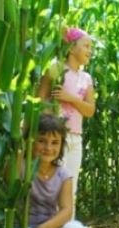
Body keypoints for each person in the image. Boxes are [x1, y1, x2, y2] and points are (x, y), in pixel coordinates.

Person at [37, 27, 95, 204]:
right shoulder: (55, 70)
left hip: (75, 139)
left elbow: (90, 111)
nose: (89, 51)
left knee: (71, 187)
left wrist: (70, 98)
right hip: (54, 138)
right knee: (51, 187)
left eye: (90, 47)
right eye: (85, 46)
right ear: (71, 48)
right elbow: (39, 100)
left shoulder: (86, 79)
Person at [13, 114, 88, 228]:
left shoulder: (63, 175)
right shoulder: (21, 166)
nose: (48, 148)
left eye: (55, 143)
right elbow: (9, 179)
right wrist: (22, 145)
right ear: (30, 141)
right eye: (41, 141)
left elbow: (66, 210)